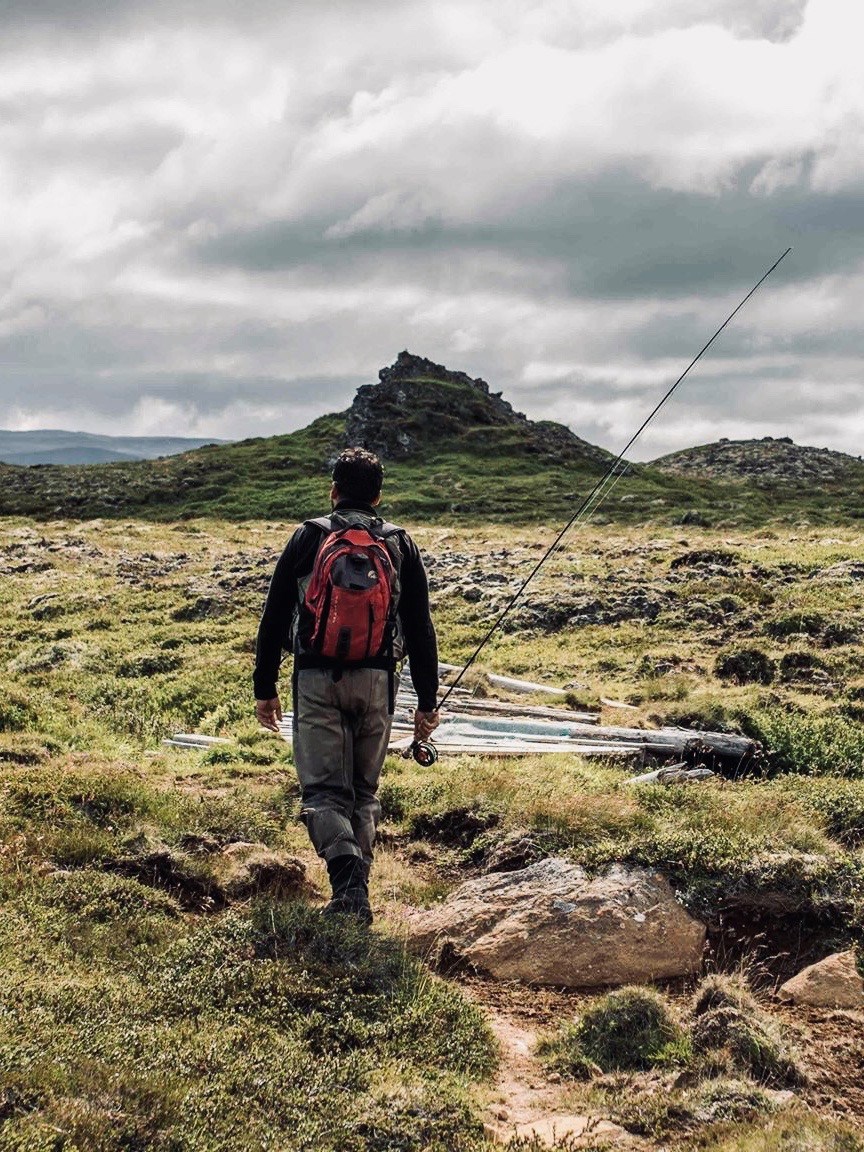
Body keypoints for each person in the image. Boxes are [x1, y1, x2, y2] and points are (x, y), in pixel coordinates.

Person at [254, 447, 439, 924]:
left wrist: (265, 686)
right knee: (363, 792)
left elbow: (275, 615)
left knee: (322, 792)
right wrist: (426, 701)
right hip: (378, 680)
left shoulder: (309, 537)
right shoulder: (400, 544)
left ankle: (349, 887)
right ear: (379, 495)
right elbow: (420, 628)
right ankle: (357, 891)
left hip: (315, 678)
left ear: (333, 491)